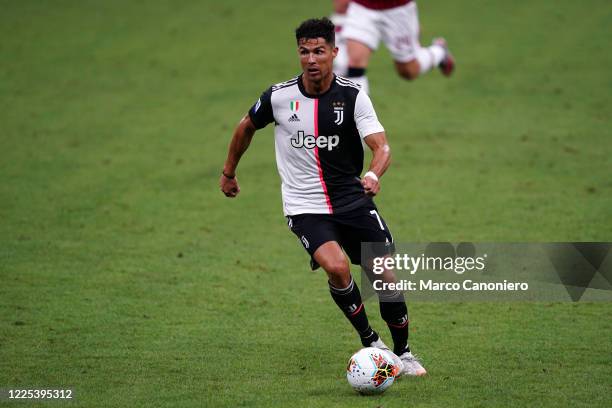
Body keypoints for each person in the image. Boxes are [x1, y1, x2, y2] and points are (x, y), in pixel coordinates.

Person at [219, 17, 426, 376]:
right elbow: (245, 127)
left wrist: (374, 173)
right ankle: (370, 341)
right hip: (304, 205)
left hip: (351, 199)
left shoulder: (353, 96)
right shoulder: (279, 97)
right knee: (337, 266)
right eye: (304, 51)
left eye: (318, 51)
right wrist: (228, 172)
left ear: (334, 52)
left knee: (383, 275)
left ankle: (405, 353)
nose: (311, 59)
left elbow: (381, 145)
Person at [331, 0, 454, 94]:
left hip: (398, 9)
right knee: (354, 62)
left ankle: (439, 52)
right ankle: (359, 121)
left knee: (408, 71)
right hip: (363, 6)